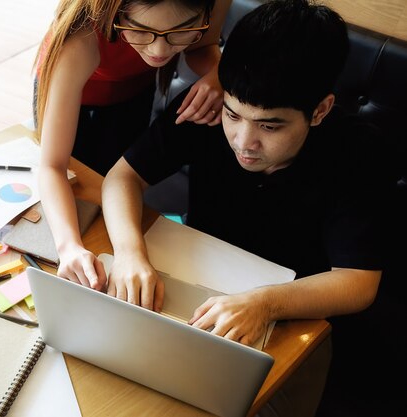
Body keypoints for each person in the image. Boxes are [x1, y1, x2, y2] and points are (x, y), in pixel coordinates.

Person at [101, 1, 398, 414]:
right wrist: (130, 253)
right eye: (233, 115)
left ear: (320, 110)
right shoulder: (206, 105)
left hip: (296, 316)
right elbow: (122, 177)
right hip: (201, 283)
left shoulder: (360, 152)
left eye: (270, 126)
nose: (243, 141)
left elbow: (358, 283)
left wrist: (263, 304)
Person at [34, 0, 231, 290]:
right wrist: (69, 249)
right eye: (142, 31)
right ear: (115, 11)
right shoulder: (80, 35)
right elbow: (52, 166)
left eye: (181, 30)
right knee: (80, 203)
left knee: (110, 199)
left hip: (136, 88)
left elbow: (201, 47)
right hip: (80, 94)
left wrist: (221, 75)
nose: (160, 51)